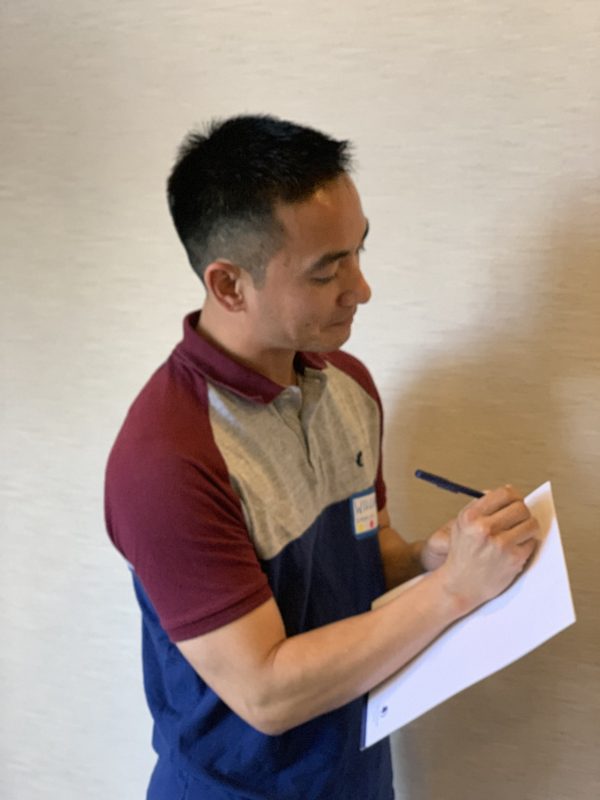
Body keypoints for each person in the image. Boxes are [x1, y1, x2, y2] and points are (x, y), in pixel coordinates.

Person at [104, 114, 539, 800]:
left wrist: (427, 558)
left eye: (359, 251)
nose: (360, 288)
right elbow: (266, 691)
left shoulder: (349, 387)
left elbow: (362, 552)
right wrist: (455, 589)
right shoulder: (167, 459)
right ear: (229, 285)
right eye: (327, 270)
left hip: (357, 771)